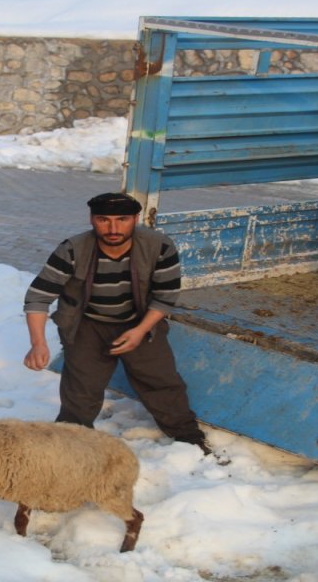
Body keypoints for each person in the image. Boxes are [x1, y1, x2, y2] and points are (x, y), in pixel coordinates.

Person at [22, 192, 209, 454]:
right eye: (103, 220)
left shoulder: (159, 246)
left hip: (140, 322)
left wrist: (140, 331)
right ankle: (69, 446)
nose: (113, 228)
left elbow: (165, 298)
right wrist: (38, 343)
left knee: (162, 382)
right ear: (91, 220)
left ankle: (189, 439)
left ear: (136, 218)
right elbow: (38, 297)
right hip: (88, 324)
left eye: (122, 220)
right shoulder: (72, 249)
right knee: (80, 390)